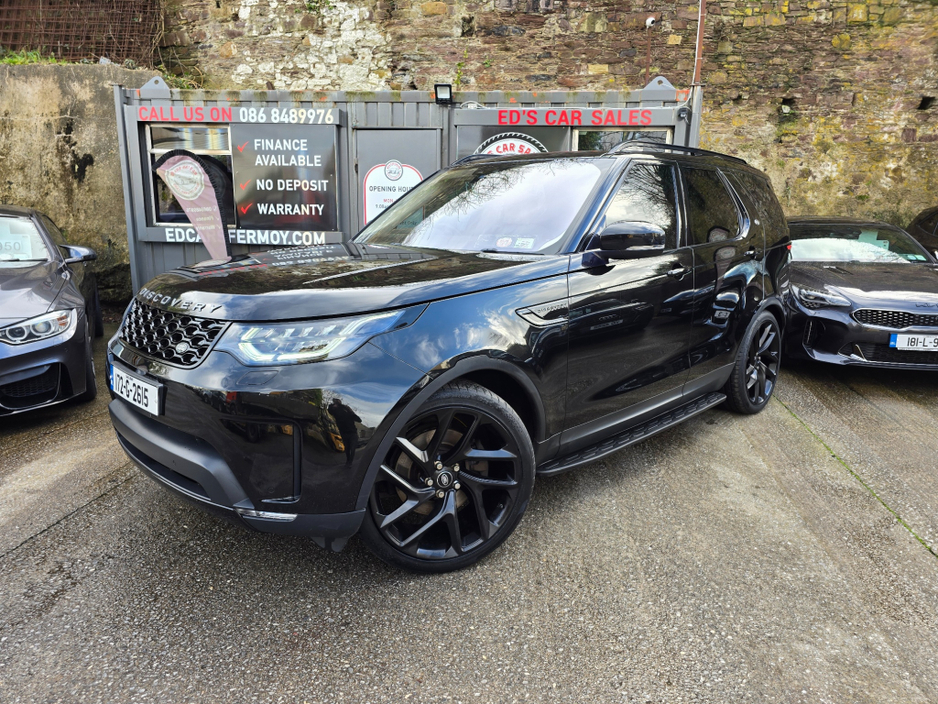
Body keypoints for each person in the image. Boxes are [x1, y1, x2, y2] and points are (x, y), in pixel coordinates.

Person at [328, 398, 361, 465]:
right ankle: (348, 461)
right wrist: (333, 406)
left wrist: (351, 412)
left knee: (352, 448)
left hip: (352, 433)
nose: (337, 402)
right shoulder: (334, 409)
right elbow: (330, 410)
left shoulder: (346, 409)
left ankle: (350, 462)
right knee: (347, 448)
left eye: (338, 401)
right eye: (335, 401)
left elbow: (359, 420)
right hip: (344, 432)